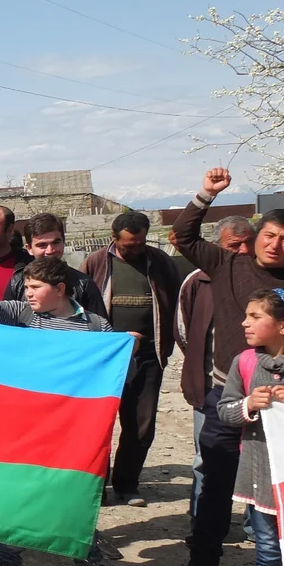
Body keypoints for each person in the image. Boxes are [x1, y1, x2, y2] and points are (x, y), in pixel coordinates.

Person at [0, 256, 126, 566]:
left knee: (77, 495)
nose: (28, 292)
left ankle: (89, 565)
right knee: (15, 494)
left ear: (60, 290)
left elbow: (109, 379)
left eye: (36, 287)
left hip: (73, 432)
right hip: (26, 428)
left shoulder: (96, 327)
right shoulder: (24, 316)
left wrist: (127, 348)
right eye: (27, 286)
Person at [163, 166, 284, 566]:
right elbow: (183, 235)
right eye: (270, 235)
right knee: (214, 478)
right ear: (256, 236)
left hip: (280, 401)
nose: (276, 245)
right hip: (227, 395)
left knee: (278, 489)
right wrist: (206, 194)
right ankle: (203, 564)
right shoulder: (226, 263)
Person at [83, 212, 181, 506]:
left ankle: (127, 484)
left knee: (141, 424)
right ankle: (95, 487)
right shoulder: (96, 263)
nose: (136, 249)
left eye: (140, 243)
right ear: (114, 239)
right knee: (98, 423)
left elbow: (175, 301)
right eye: (129, 244)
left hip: (149, 356)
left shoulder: (160, 262)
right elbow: (82, 305)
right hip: (105, 357)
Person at [215, 288, 284, 566]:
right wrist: (248, 405)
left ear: (283, 326)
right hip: (260, 473)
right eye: (247, 314)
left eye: (256, 316)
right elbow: (224, 410)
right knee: (267, 550)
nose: (245, 322)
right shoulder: (244, 361)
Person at [1, 214, 106, 317]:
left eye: (56, 243)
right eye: (42, 245)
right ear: (29, 249)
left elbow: (99, 329)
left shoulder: (83, 284)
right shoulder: (17, 283)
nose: (50, 251)